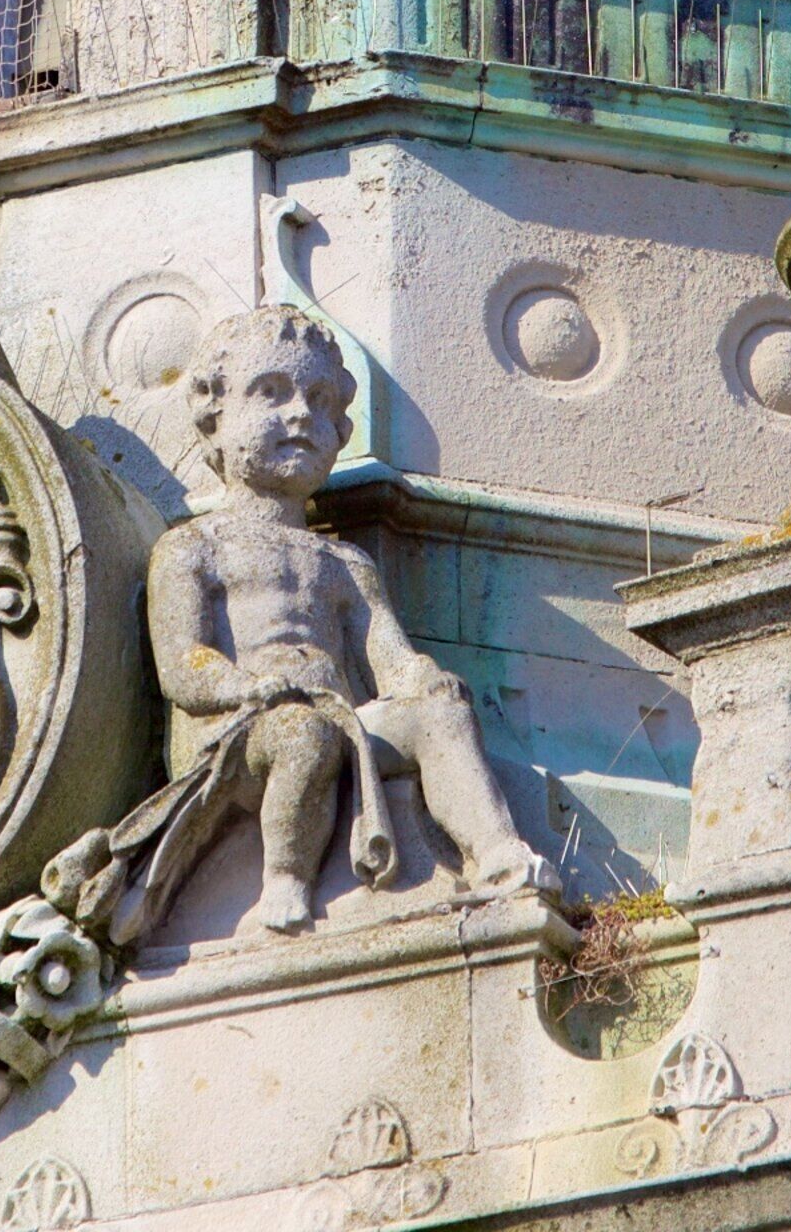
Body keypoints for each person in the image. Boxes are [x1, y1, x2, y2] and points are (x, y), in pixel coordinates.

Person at [142, 305, 555, 934]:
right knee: (302, 735)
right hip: (234, 732)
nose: (301, 413)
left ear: (338, 427)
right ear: (215, 418)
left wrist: (422, 679)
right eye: (272, 393)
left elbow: (386, 652)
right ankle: (285, 881)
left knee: (439, 709)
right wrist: (247, 687)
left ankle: (498, 854)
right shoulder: (192, 547)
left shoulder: (343, 562)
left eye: (319, 398)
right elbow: (183, 665)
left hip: (339, 718)